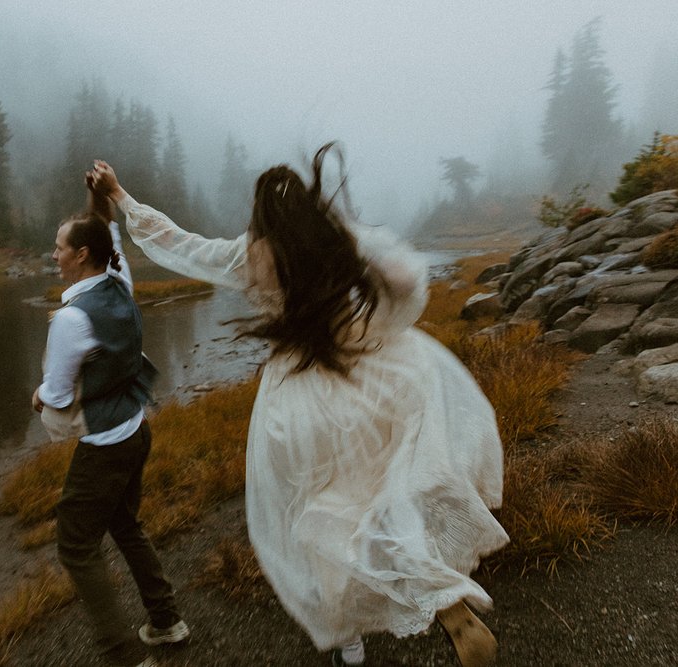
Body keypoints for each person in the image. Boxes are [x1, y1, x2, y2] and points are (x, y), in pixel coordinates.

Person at [89, 147, 508, 667]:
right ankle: (444, 597)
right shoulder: (339, 241)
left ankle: (348, 643)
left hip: (300, 404)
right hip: (375, 378)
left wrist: (120, 196)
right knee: (386, 492)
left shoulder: (249, 256)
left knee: (322, 512)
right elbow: (405, 283)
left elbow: (177, 243)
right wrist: (379, 327)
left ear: (259, 213)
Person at [31, 178, 189, 667]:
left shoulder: (72, 319)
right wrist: (99, 194)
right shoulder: (119, 281)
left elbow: (55, 396)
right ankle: (165, 621)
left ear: (80, 255)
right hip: (136, 429)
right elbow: (103, 227)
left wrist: (36, 396)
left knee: (75, 545)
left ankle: (123, 656)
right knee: (122, 523)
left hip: (104, 445)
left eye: (58, 248)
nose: (52, 255)